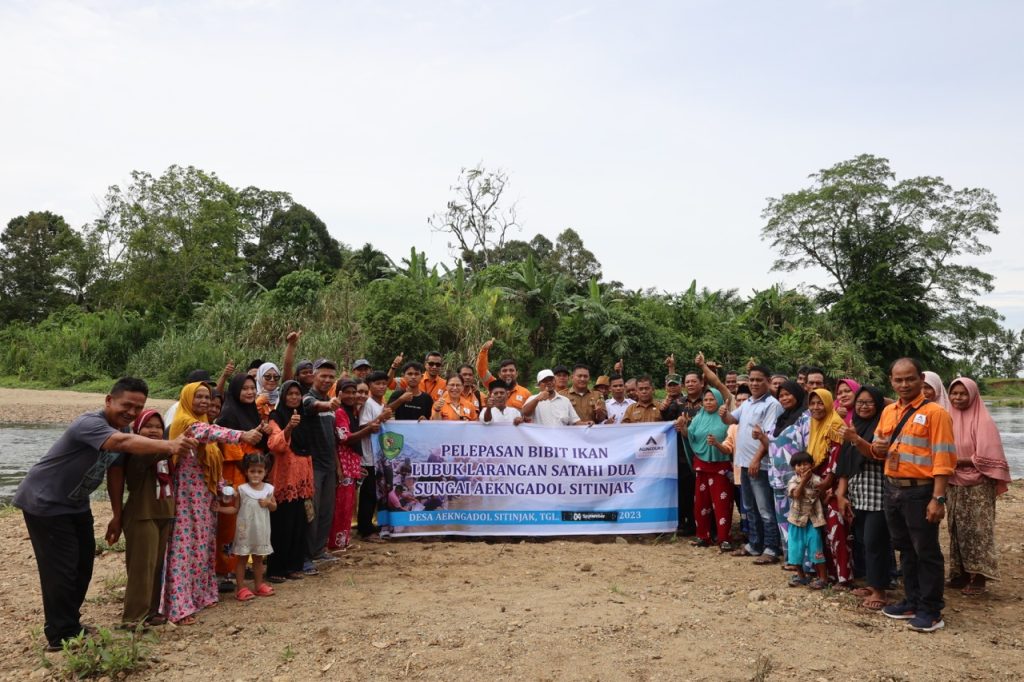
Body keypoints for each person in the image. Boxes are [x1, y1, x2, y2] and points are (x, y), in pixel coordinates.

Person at [12, 377, 195, 651]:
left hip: (76, 503)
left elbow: (116, 474)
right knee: (60, 570)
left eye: (138, 407)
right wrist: (169, 445)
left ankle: (70, 623)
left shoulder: (124, 429)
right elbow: (119, 443)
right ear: (109, 401)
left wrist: (116, 515)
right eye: (126, 405)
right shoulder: (91, 424)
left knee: (83, 565)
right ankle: (60, 634)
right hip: (45, 503)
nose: (131, 412)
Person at [163, 381, 262, 625]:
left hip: (205, 497)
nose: (204, 401)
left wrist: (221, 489)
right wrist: (241, 435)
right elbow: (210, 434)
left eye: (207, 397)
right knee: (183, 549)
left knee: (203, 546)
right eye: (198, 397)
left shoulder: (204, 422)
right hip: (185, 498)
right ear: (187, 398)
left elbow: (211, 460)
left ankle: (200, 596)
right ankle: (179, 606)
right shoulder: (185, 423)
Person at [873, 358, 957, 633]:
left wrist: (938, 498)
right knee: (905, 548)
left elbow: (944, 458)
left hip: (921, 491)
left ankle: (931, 610)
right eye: (898, 380)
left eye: (910, 379)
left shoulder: (936, 413)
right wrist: (878, 448)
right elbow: (878, 447)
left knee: (926, 551)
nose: (904, 384)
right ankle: (911, 600)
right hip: (893, 488)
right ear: (891, 381)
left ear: (921, 379)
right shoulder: (888, 412)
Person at [946, 377, 1011, 596]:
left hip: (978, 484)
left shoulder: (984, 421)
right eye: (954, 393)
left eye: (963, 394)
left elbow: (989, 455)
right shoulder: (947, 418)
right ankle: (961, 573)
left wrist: (957, 461)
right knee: (956, 528)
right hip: (953, 482)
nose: (958, 398)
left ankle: (980, 577)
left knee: (978, 529)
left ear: (972, 395)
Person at [836, 386, 892, 610]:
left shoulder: (882, 427)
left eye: (869, 402)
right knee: (863, 541)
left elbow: (879, 456)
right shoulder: (854, 426)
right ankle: (872, 583)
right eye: (860, 402)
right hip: (858, 494)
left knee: (875, 542)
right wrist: (841, 493)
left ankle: (880, 590)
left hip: (878, 494)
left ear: (878, 405)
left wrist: (857, 439)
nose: (863, 406)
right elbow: (845, 464)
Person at [721, 365, 784, 563]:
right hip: (744, 464)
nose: (755, 383)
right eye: (752, 379)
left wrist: (757, 459)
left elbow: (769, 436)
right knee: (749, 507)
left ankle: (772, 548)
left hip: (760, 464)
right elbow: (732, 419)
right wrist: (723, 414)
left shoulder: (772, 404)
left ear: (768, 380)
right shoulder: (748, 402)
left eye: (759, 380)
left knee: (765, 508)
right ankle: (755, 544)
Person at [117, 410, 175, 628]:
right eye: (148, 426)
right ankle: (133, 617)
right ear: (137, 429)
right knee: (142, 566)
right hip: (142, 513)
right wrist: (169, 446)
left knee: (156, 565)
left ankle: (150, 611)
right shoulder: (137, 453)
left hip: (163, 511)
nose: (154, 431)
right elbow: (134, 477)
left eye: (158, 427)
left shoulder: (164, 452)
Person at [215, 374, 270, 590]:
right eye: (244, 388)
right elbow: (232, 448)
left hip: (251, 474)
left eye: (251, 388)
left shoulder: (252, 412)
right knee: (229, 525)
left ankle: (238, 564)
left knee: (246, 524)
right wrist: (248, 474)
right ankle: (223, 571)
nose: (249, 392)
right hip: (235, 476)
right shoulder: (228, 413)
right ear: (235, 391)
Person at [266, 380, 314, 582]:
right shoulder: (275, 417)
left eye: (297, 394)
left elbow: (309, 448)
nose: (294, 397)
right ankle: (276, 569)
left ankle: (294, 566)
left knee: (298, 525)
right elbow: (275, 445)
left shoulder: (304, 417)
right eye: (290, 394)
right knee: (282, 526)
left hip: (302, 480)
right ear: (283, 396)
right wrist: (288, 429)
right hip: (285, 480)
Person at [757, 380, 808, 563]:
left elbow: (808, 448)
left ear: (798, 394)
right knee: (784, 522)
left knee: (799, 520)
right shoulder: (781, 418)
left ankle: (804, 561)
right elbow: (772, 446)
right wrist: (762, 437)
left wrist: (804, 479)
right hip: (777, 478)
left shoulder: (805, 418)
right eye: (781, 395)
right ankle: (791, 558)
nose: (784, 398)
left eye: (788, 394)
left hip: (797, 480)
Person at [807, 388, 853, 587]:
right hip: (820, 483)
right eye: (812, 403)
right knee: (824, 529)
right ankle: (831, 574)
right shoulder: (815, 424)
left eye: (820, 403)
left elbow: (838, 456)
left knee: (837, 529)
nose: (816, 407)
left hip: (834, 485)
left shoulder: (835, 424)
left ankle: (845, 577)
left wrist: (829, 482)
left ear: (828, 404)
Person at [331, 379, 381, 550]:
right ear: (339, 393)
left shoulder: (352, 412)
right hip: (343, 461)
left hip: (352, 460)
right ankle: (335, 542)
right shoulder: (340, 412)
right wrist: (368, 429)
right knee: (342, 503)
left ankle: (343, 541)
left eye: (355, 392)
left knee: (349, 501)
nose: (353, 396)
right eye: (349, 392)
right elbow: (344, 438)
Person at [682, 388, 734, 550]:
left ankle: (724, 538)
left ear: (718, 400)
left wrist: (718, 444)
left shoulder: (725, 418)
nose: (709, 403)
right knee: (700, 503)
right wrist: (683, 427)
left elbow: (732, 438)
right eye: (706, 400)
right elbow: (690, 436)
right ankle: (702, 536)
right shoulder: (698, 417)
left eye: (712, 399)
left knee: (722, 503)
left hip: (721, 466)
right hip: (702, 466)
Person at [227, 453, 277, 601]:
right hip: (244, 532)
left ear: (266, 472)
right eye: (252, 471)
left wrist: (268, 503)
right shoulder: (241, 489)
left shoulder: (269, 489)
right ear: (246, 471)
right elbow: (235, 509)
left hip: (261, 531)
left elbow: (274, 507)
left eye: (260, 471)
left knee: (258, 558)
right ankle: (240, 588)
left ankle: (259, 585)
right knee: (242, 559)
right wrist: (219, 509)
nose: (256, 474)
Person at [660, 372, 700, 537]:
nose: (690, 384)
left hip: (703, 451)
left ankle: (705, 525)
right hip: (682, 454)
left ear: (701, 383)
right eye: (687, 381)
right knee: (685, 490)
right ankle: (688, 523)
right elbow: (667, 423)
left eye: (693, 381)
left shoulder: (707, 400)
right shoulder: (678, 403)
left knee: (701, 491)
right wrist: (663, 412)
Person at [786, 451, 829, 590]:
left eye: (805, 464)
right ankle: (801, 576)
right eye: (798, 465)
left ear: (812, 465)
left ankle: (823, 578)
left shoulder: (817, 480)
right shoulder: (793, 481)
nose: (802, 467)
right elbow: (796, 494)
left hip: (813, 521)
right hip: (796, 521)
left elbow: (822, 495)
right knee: (795, 550)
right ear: (794, 468)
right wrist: (804, 480)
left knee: (816, 549)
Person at [357, 371, 392, 540]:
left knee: (374, 493)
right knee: (368, 494)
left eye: (384, 383)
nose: (381, 386)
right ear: (370, 385)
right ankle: (364, 529)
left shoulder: (380, 403)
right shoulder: (368, 404)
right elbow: (363, 426)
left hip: (377, 457)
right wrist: (381, 417)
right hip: (367, 456)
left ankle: (369, 525)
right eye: (377, 383)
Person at [475, 338, 533, 409]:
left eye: (511, 370)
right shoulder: (493, 384)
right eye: (504, 371)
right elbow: (481, 370)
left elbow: (530, 415)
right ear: (499, 374)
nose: (508, 373)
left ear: (517, 373)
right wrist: (484, 350)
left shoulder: (526, 393)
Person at [521, 370, 585, 426]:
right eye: (545, 381)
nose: (549, 382)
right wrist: (537, 399)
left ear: (554, 381)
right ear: (539, 385)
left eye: (551, 380)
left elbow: (575, 422)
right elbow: (525, 413)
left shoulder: (565, 401)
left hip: (561, 439)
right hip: (540, 439)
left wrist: (587, 424)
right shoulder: (533, 399)